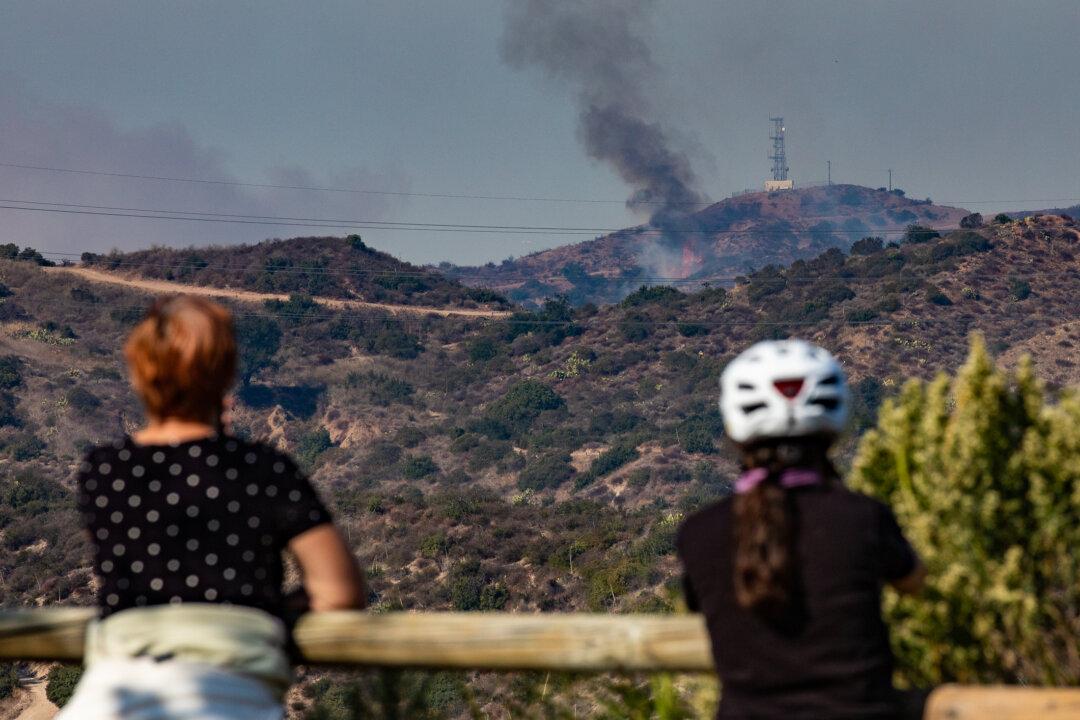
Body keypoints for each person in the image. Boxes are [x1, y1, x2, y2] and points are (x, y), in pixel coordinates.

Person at [60, 295, 366, 719]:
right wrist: (265, 608)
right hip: (234, 697)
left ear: (138, 373)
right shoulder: (265, 469)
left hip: (115, 695)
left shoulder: (103, 471)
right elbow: (339, 593)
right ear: (226, 374)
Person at [677, 339, 926, 720]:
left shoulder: (699, 533)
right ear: (835, 423)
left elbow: (700, 604)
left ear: (734, 428)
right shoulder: (863, 519)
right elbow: (914, 581)